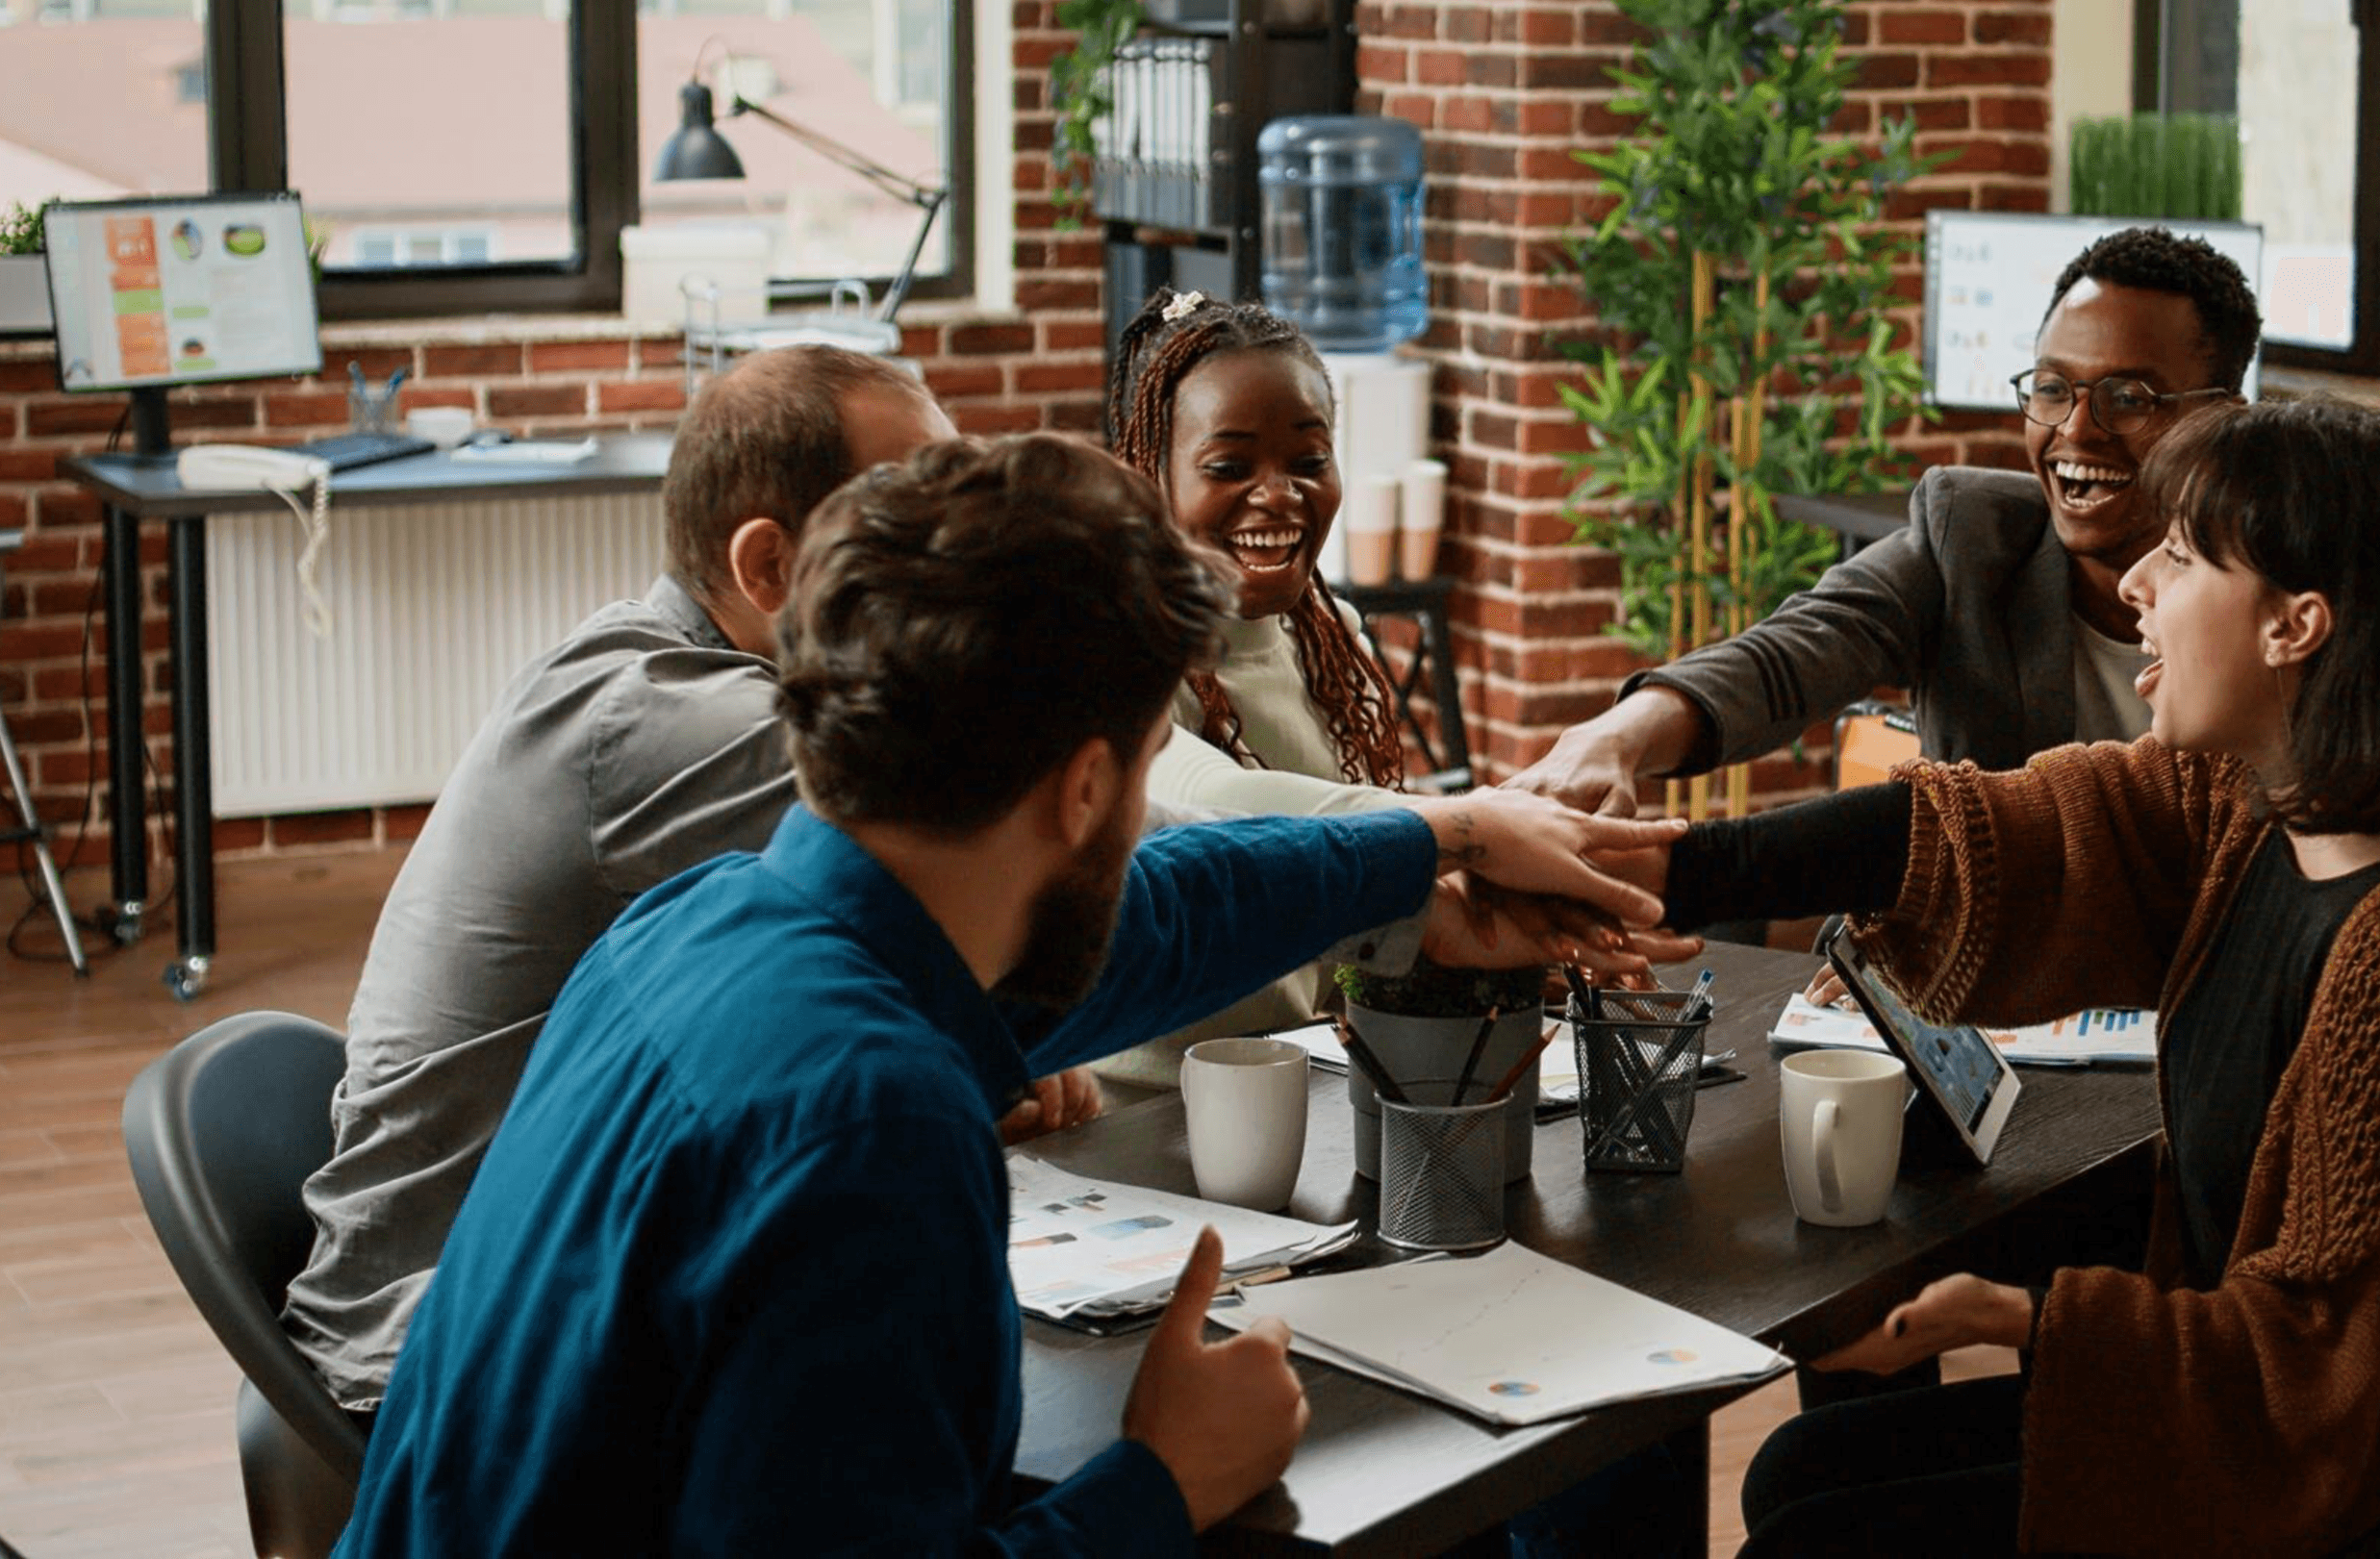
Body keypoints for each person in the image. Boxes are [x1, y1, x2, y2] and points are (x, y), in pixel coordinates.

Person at [332, 433, 1687, 1555]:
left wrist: (1435, 839)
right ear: (1088, 789)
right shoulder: (871, 1122)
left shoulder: (710, 922)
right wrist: (1165, 1479)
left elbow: (1150, 921)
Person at [1642, 398, 2380, 1555]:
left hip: (2338, 1499)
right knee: (1806, 1466)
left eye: (2181, 556)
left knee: (1821, 1534)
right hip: (2264, 1426)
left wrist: (2026, 1316)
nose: (2135, 583)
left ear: (2297, 625)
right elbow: (2013, 829)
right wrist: (1671, 870)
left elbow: (2317, 1373)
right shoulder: (2268, 805)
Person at [282, 345, 1101, 1416]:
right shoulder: (672, 721)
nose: (965, 563)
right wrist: (1391, 851)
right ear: (767, 569)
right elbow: (1058, 839)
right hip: (440, 1341)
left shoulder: (668, 672)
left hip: (562, 1267)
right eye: (917, 530)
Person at [1512, 227, 2263, 810]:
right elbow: (1798, 649)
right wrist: (1614, 737)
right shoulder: (1976, 541)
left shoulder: (2284, 592)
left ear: (2224, 418)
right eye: (2051, 388)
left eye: (2127, 398)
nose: (2075, 430)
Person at [1094, 287, 1426, 1085]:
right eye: (1229, 467)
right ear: (1149, 476)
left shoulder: (1330, 633)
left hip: (1299, 1080)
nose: (1279, 494)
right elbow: (1215, 806)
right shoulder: (1119, 651)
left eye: (1309, 462)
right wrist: (1458, 836)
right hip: (1135, 1111)